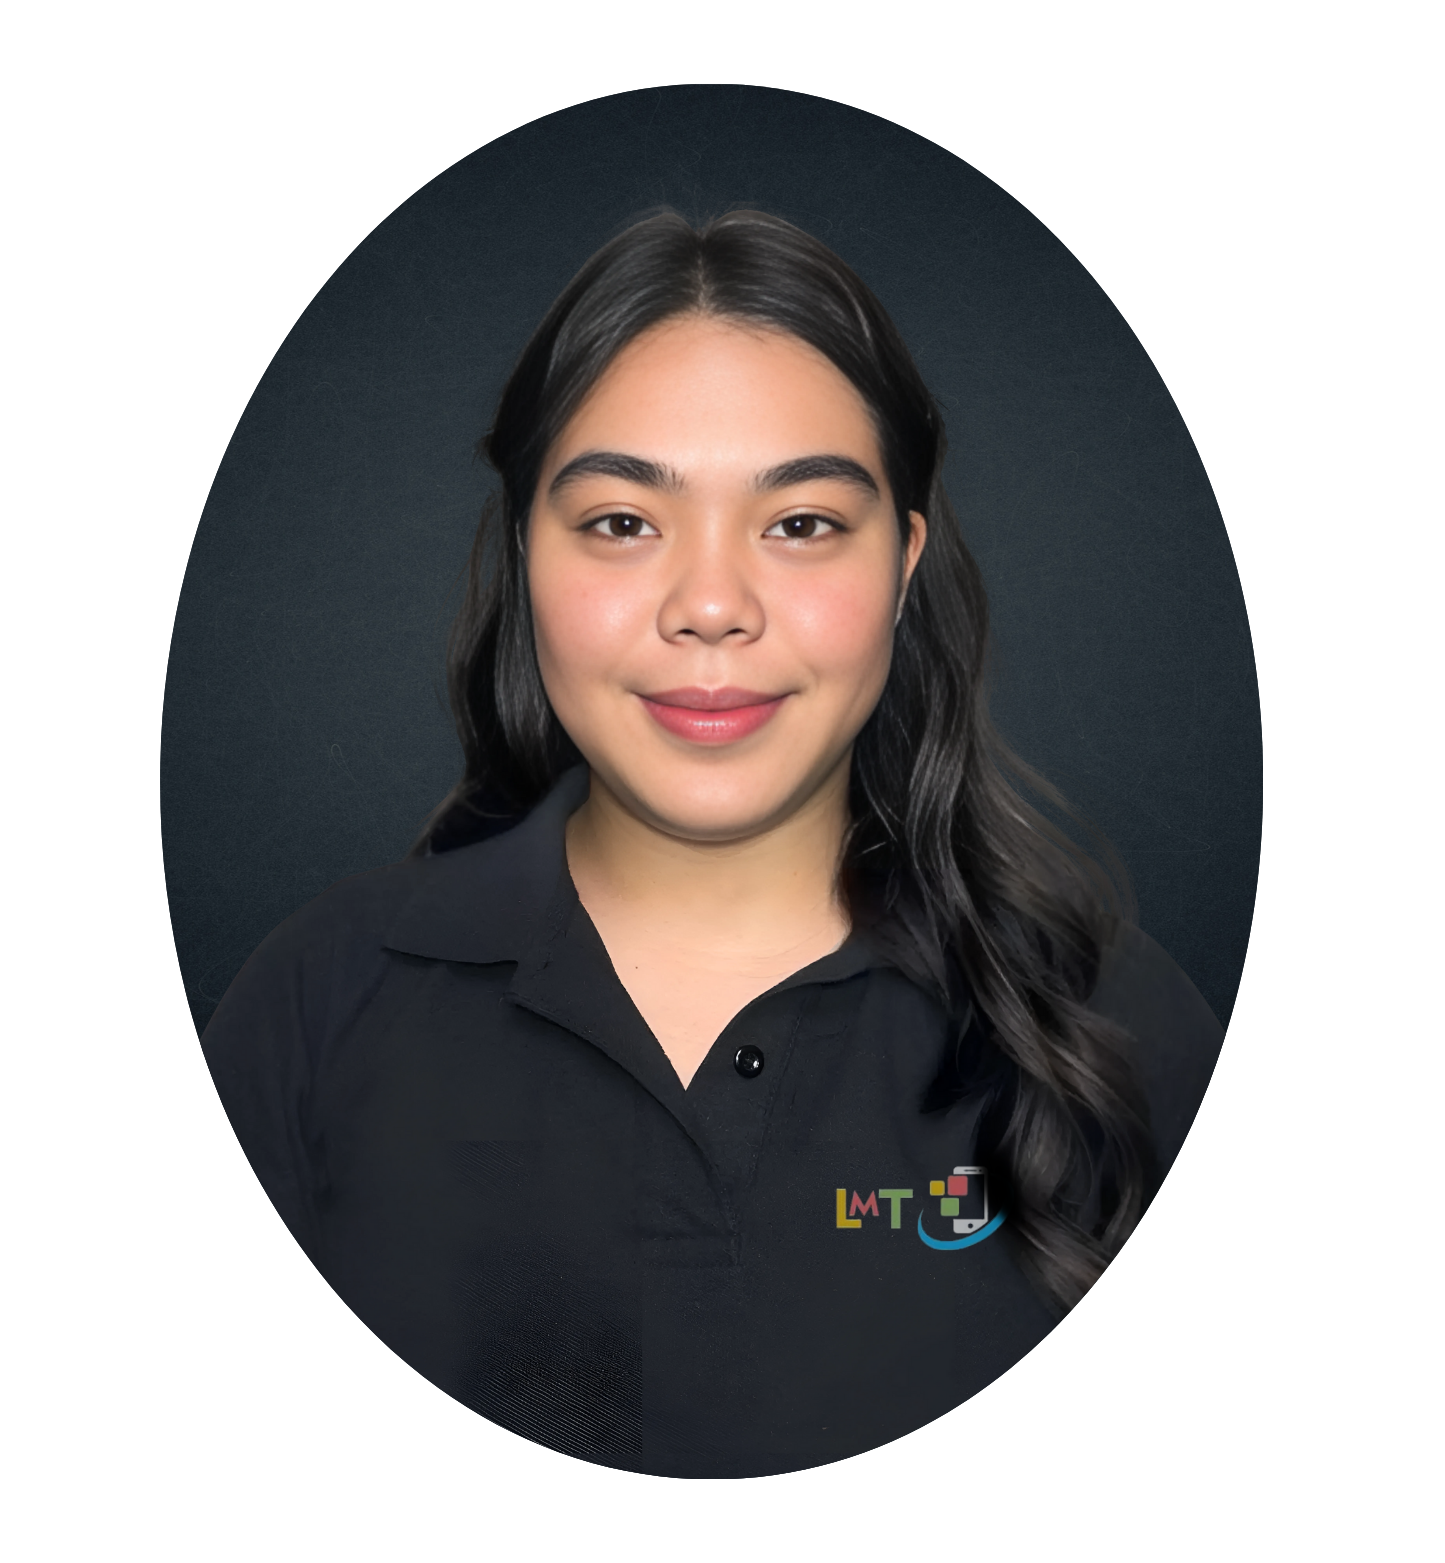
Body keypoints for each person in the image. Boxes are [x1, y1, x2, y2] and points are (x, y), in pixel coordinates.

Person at [202, 209, 1222, 1477]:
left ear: (904, 563)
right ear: (525, 551)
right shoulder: (313, 1010)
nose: (711, 609)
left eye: (800, 523)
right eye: (623, 521)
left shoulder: (1117, 1032)